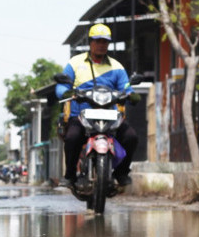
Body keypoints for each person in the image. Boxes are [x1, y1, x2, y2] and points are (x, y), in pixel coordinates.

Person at [55, 23, 140, 188]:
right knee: (72, 137)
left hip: (110, 114)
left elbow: (126, 87)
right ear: (90, 42)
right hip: (81, 114)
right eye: (98, 41)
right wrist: (65, 92)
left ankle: (121, 172)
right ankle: (70, 174)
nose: (101, 45)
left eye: (105, 42)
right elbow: (62, 86)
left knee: (131, 137)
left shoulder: (116, 66)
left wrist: (131, 94)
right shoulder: (75, 63)